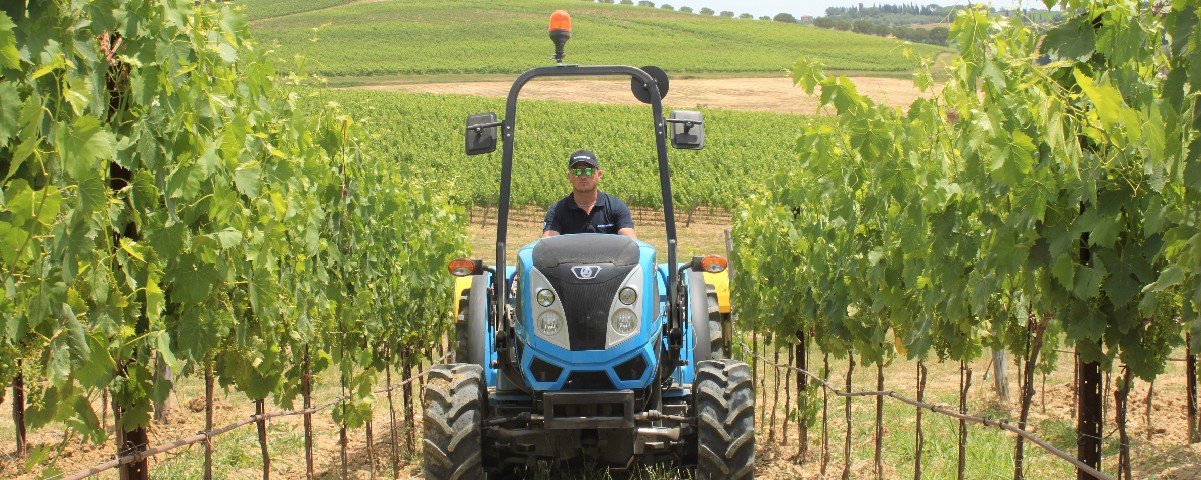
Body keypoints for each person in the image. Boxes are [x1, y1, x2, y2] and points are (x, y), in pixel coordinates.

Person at [542, 150, 636, 238]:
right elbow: (548, 245)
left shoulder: (616, 207)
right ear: (569, 177)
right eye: (577, 172)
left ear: (599, 175)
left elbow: (630, 242)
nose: (583, 176)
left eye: (589, 171)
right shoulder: (556, 211)